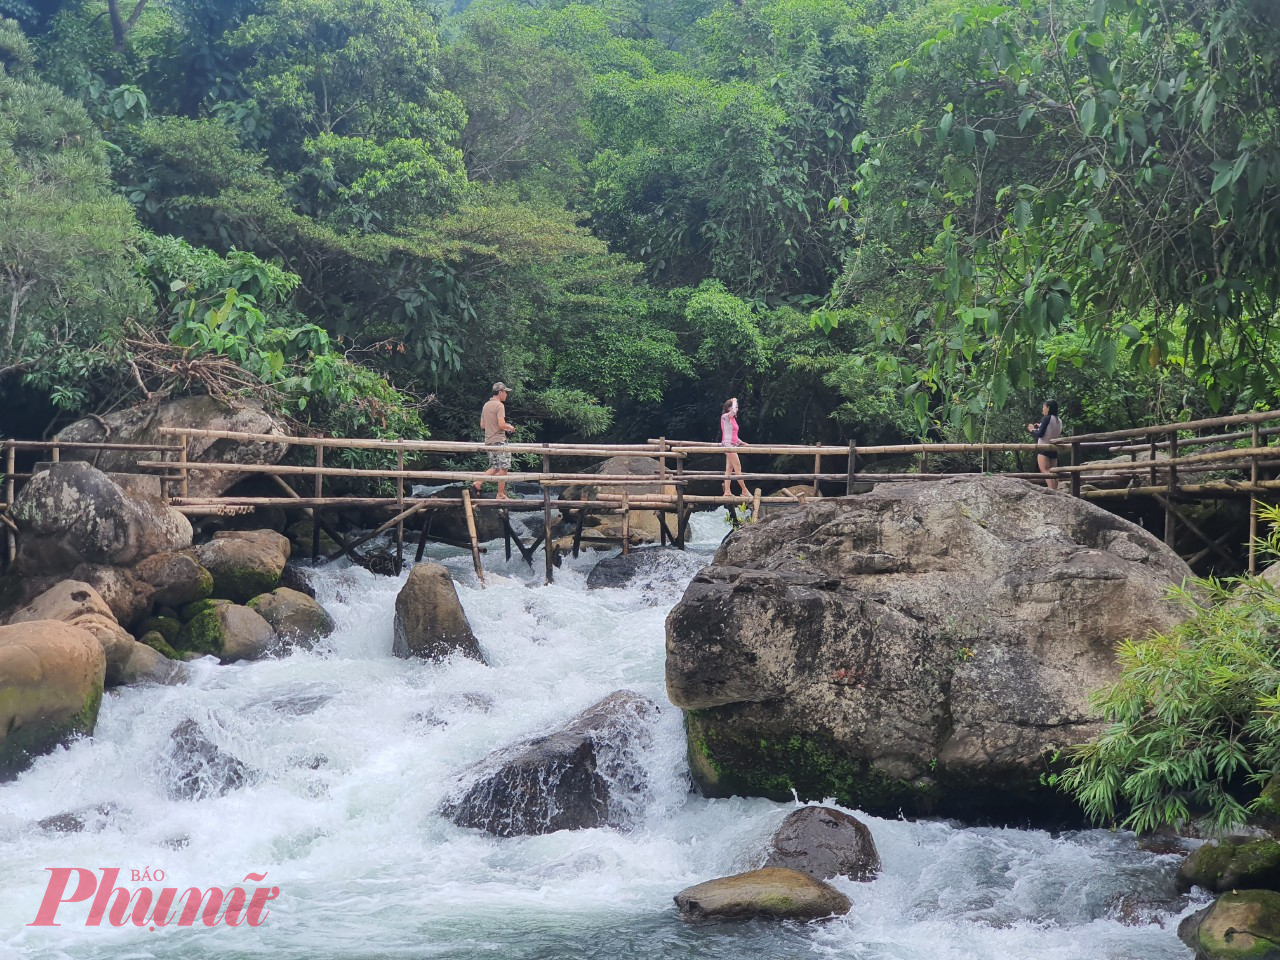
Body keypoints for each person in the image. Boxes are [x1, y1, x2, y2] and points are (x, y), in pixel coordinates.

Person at [474, 382, 516, 499]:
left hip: (489, 440)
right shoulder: (499, 406)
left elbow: (482, 425)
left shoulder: (486, 405)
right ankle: (500, 494)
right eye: (505, 392)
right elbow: (502, 424)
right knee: (504, 467)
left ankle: (478, 482)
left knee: (496, 466)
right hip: (499, 440)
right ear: (500, 392)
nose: (506, 395)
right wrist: (510, 427)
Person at [1027, 399, 1063, 490]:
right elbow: (1051, 431)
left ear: (1048, 408)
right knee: (1053, 473)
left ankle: (1053, 491)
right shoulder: (1059, 420)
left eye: (1044, 406)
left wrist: (1032, 430)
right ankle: (1057, 491)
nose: (1043, 408)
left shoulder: (1046, 418)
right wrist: (1041, 426)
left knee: (1045, 471)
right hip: (1053, 449)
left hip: (1044, 448)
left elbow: (1040, 434)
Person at [720, 397, 751, 498]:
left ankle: (727, 492)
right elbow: (733, 412)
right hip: (728, 446)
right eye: (735, 407)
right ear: (729, 408)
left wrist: (741, 442)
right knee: (738, 468)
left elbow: (734, 435)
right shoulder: (725, 416)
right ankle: (744, 490)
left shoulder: (733, 419)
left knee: (729, 469)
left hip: (732, 445)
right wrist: (734, 401)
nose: (737, 409)